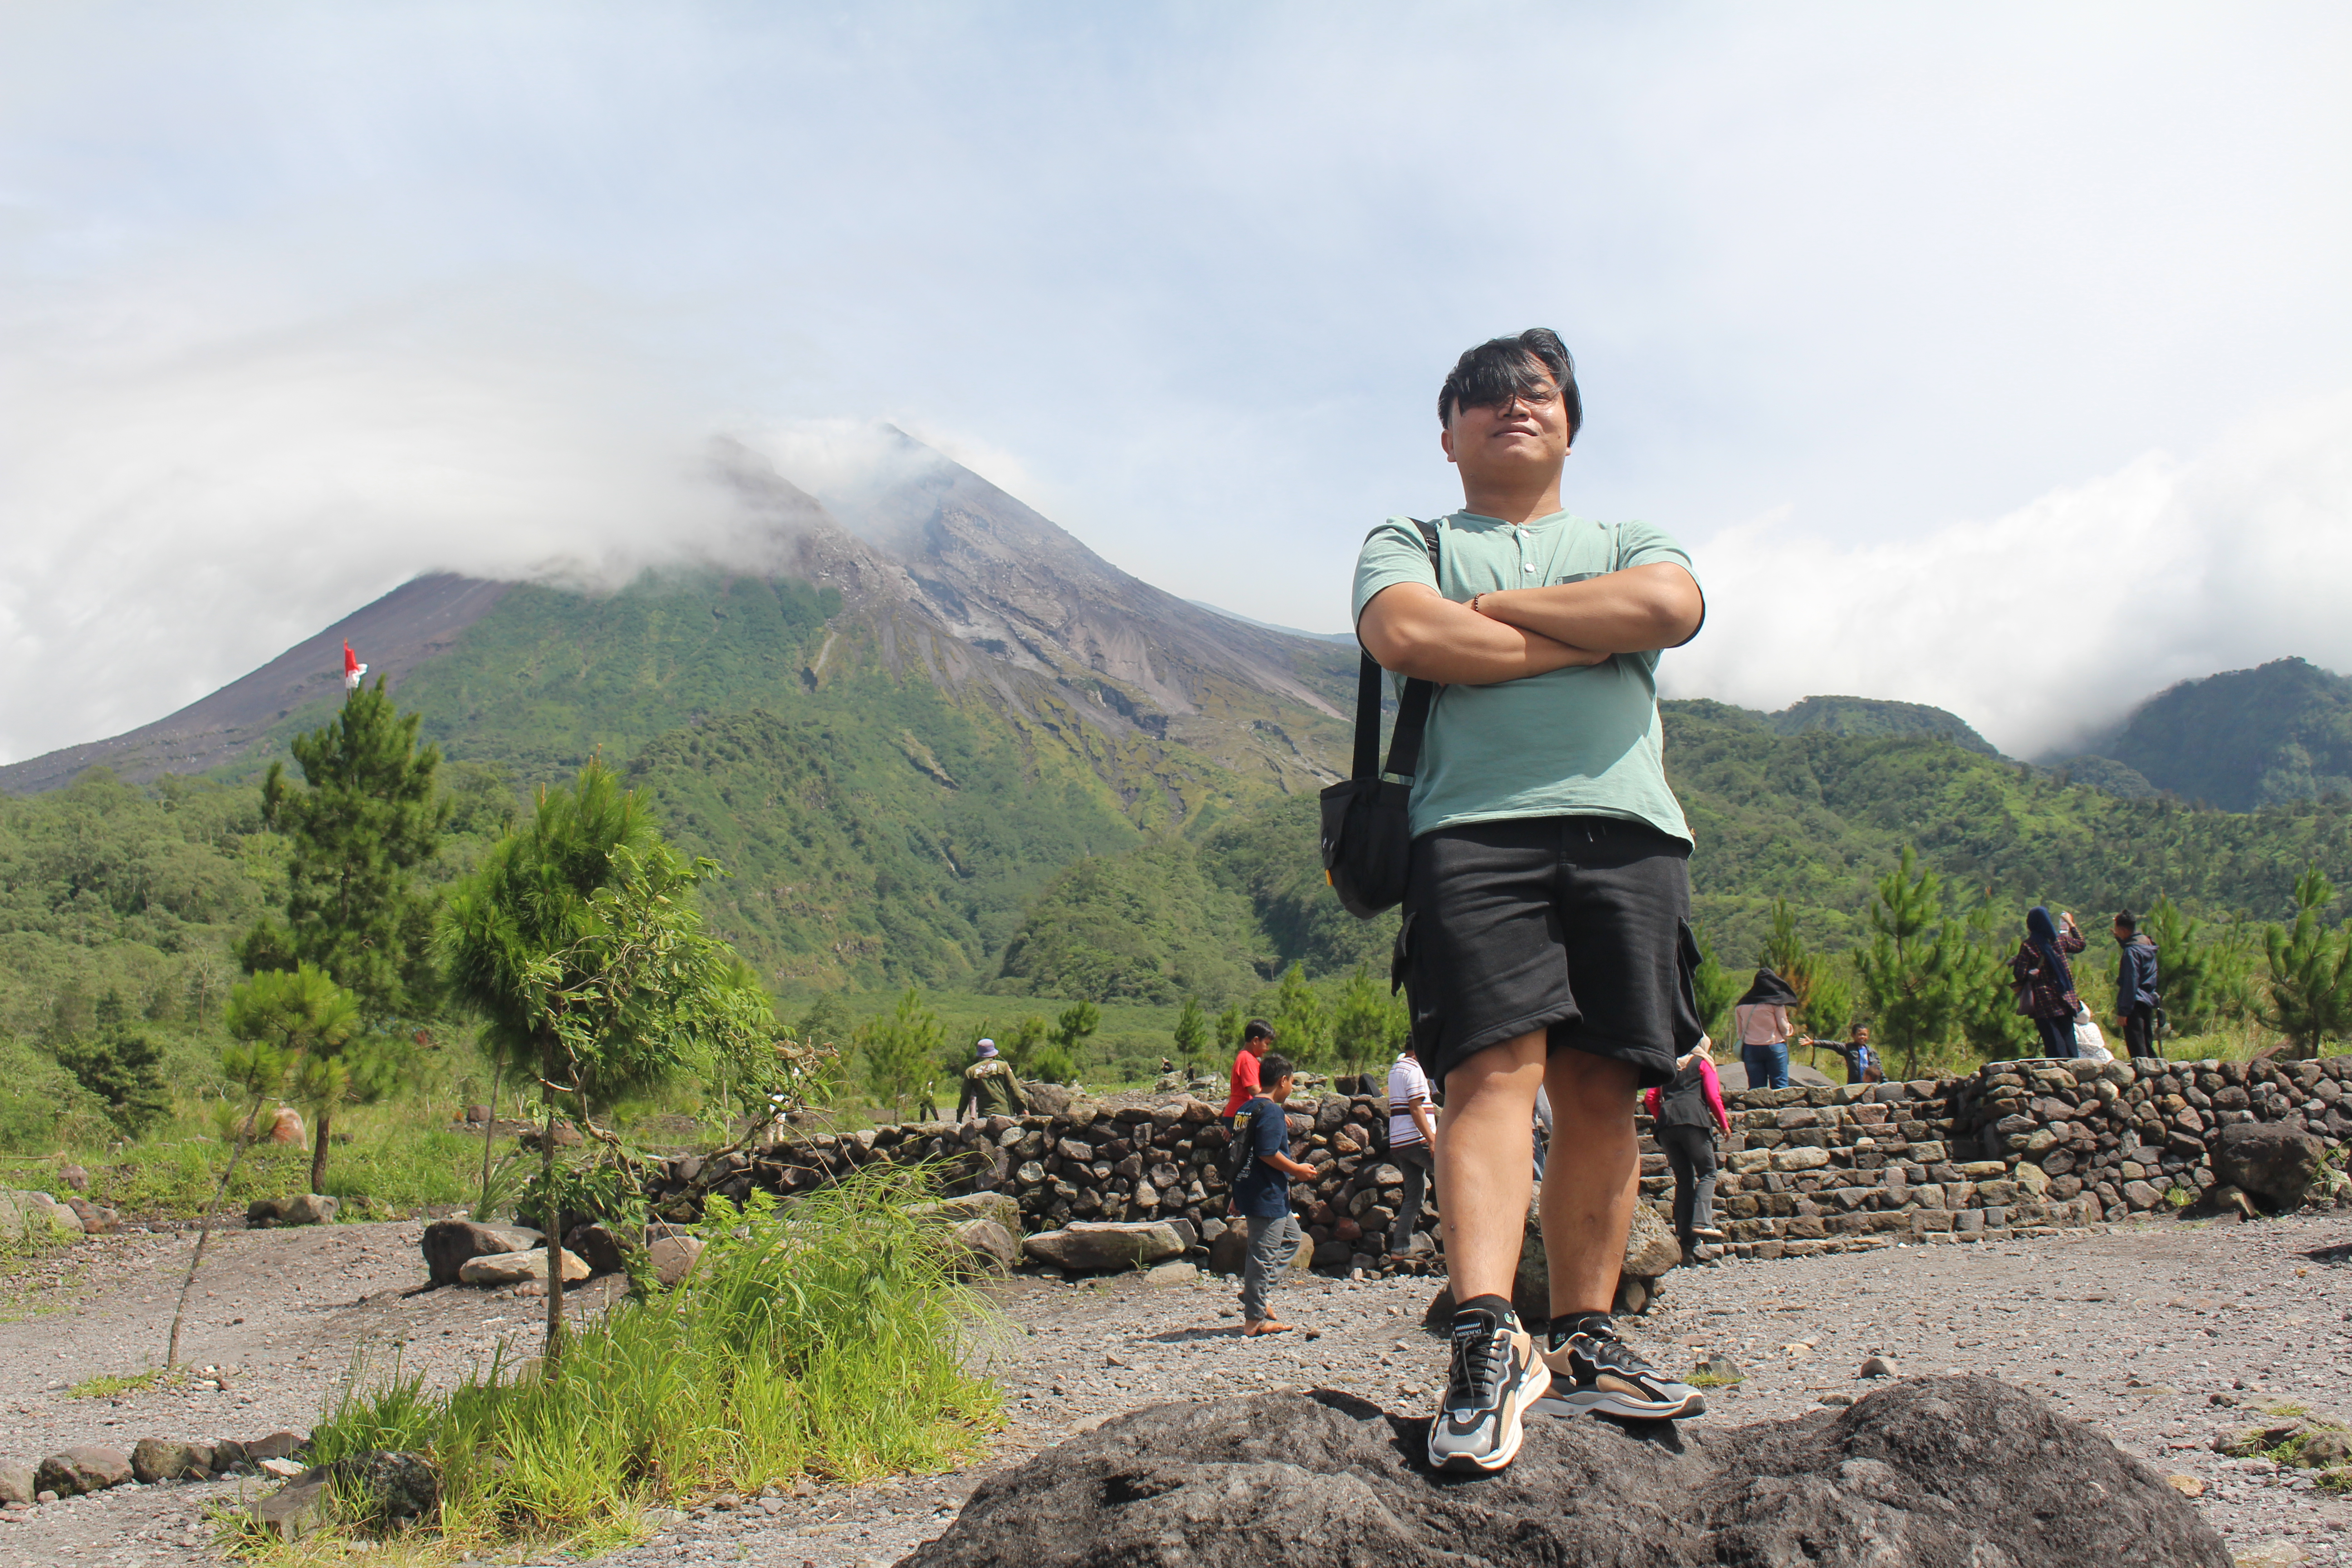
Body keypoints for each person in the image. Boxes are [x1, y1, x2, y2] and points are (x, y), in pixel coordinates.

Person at [1354, 328, 1708, 1475]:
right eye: (1487, 397)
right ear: (1447, 432)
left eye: (1540, 395)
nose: (1516, 409)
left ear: (1569, 424)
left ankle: (1591, 1337)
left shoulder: (1629, 537)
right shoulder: (1409, 539)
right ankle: (1485, 1334)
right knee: (1486, 1076)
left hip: (1630, 832)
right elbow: (1404, 631)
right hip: (1469, 832)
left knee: (1603, 1084)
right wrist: (1578, 631)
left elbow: (1667, 606)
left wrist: (1495, 630)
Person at [1229, 1052, 1316, 1337]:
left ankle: (1256, 1293)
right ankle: (1255, 1320)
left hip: (1252, 1188)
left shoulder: (1246, 1109)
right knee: (1262, 1255)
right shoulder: (1272, 1111)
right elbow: (1267, 1153)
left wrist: (1235, 1192)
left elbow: (1239, 1154)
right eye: (1292, 1081)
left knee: (1292, 1238)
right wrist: (1297, 1170)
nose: (1292, 1087)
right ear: (1283, 1081)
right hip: (1266, 1192)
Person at [1642, 1035, 1730, 1263]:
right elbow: (1712, 1096)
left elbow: (1651, 1098)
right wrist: (1724, 1125)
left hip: (1667, 1126)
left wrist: (1665, 1118)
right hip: (1694, 1121)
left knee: (1684, 1178)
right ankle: (1702, 1222)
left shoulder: (1668, 1063)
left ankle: (1685, 1237)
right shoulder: (1702, 1063)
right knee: (1708, 1172)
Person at [2011, 906, 2087, 1058]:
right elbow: (2081, 945)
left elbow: (2019, 974)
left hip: (2044, 1001)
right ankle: (2074, 1070)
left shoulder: (2029, 946)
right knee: (2068, 1037)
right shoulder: (2060, 940)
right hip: (2065, 997)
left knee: (2053, 1042)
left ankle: (2058, 1075)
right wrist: (2071, 924)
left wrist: (2026, 968)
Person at [1386, 1040, 1437, 1257]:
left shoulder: (1396, 1069)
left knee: (1414, 1195)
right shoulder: (1415, 1070)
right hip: (1417, 1139)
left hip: (1400, 1141)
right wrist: (1432, 1139)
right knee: (1454, 1181)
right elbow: (1416, 1108)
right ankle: (1462, 1245)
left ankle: (1400, 1246)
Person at [1731, 970, 1800, 1091]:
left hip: (1751, 1049)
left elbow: (1740, 1032)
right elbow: (1784, 1027)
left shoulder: (1742, 1005)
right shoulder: (1775, 1003)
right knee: (1780, 1086)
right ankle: (1781, 1109)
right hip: (1774, 1047)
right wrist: (1789, 1031)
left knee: (1756, 1089)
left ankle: (1757, 1109)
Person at [2113, 910, 2161, 1060]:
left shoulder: (2131, 953)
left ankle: (2144, 1082)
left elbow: (2131, 981)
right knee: (2147, 1046)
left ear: (2122, 930)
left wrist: (2124, 1011)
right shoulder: (2148, 946)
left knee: (2138, 1051)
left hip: (2134, 1004)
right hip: (2147, 1001)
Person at [957, 1039, 1027, 1120]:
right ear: (994, 1053)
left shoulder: (971, 1071)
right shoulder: (1003, 1066)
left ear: (979, 1054)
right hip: (1006, 1115)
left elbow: (965, 1097)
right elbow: (1015, 1089)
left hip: (985, 1117)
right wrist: (1023, 1108)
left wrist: (959, 1118)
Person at [1222, 1019, 1276, 1118]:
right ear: (1255, 1041)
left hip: (1238, 1114)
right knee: (1245, 1134)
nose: (1268, 1049)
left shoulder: (1247, 1058)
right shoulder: (1248, 1060)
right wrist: (1273, 1109)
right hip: (1241, 1114)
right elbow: (1255, 1090)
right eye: (1267, 1044)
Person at [1813, 1023, 1882, 1086]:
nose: (1863, 1037)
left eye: (1865, 1035)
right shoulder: (1848, 1048)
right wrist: (1813, 1042)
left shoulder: (1872, 1052)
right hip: (1854, 1085)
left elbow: (1879, 1070)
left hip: (1870, 1086)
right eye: (1860, 1035)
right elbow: (1832, 1045)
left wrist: (1886, 1084)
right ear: (1853, 1035)